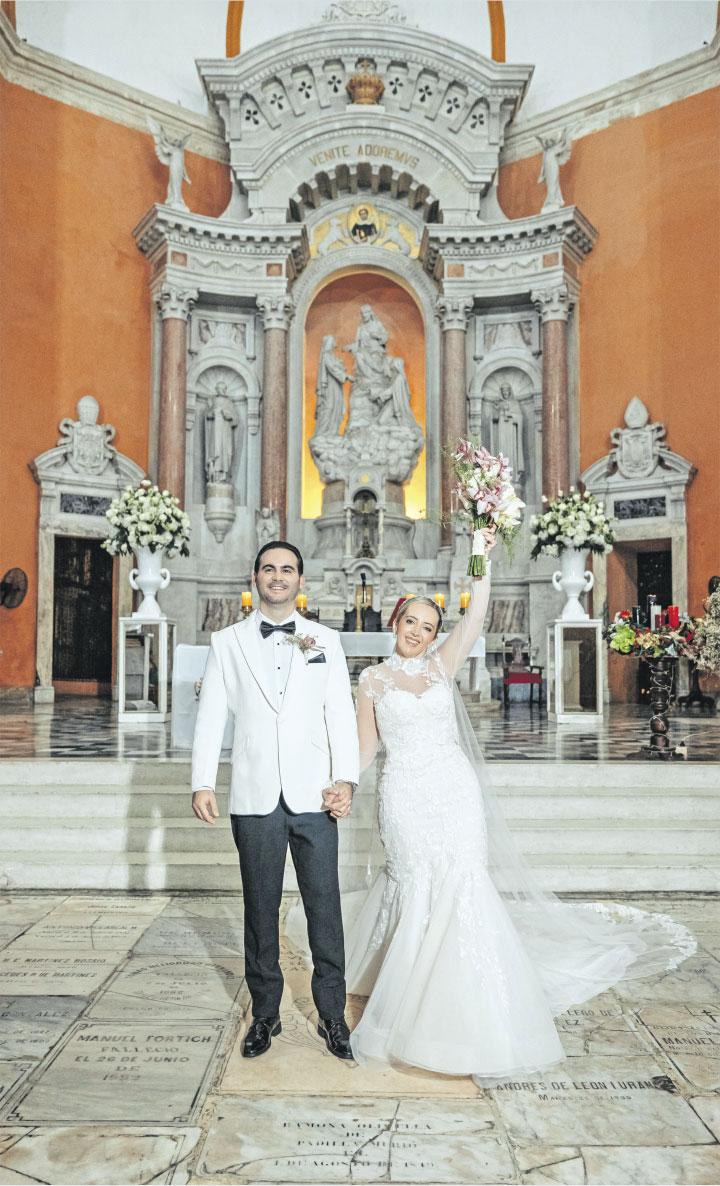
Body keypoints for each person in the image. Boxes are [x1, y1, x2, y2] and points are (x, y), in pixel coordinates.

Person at [344, 529, 695, 1083]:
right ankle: (408, 991)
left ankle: (463, 1000)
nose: (418, 632)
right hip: (405, 795)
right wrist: (343, 784)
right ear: (394, 624)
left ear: (436, 634)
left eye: (428, 626)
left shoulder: (441, 667)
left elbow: (477, 618)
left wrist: (480, 552)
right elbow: (365, 748)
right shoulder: (372, 680)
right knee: (416, 881)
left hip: (454, 792)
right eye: (410, 622)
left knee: (462, 878)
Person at [191, 542, 359, 1061]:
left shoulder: (325, 639)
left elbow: (341, 716)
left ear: (300, 580)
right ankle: (266, 1014)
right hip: (255, 794)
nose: (278, 577)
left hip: (315, 793)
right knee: (260, 910)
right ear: (256, 577)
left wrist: (346, 780)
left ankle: (333, 1016)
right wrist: (202, 781)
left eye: (287, 569)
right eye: (269, 569)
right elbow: (211, 717)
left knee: (324, 908)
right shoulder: (227, 642)